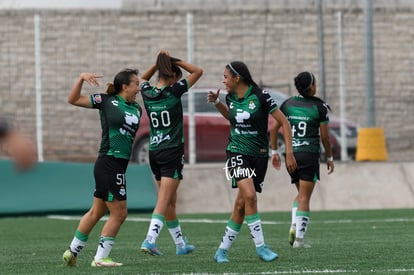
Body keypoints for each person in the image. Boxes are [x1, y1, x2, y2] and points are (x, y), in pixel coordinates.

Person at [207, 61, 297, 263]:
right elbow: (232, 117)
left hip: (259, 155)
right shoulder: (230, 97)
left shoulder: (261, 96)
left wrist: (287, 152)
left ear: (237, 78)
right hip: (236, 152)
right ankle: (261, 247)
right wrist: (217, 103)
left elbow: (284, 122)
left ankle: (221, 250)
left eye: (226, 77)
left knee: (241, 205)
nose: (224, 81)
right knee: (250, 196)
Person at [62, 69, 141, 267]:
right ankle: (100, 258)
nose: (138, 88)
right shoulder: (106, 101)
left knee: (96, 212)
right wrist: (80, 78)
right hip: (109, 161)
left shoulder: (137, 108)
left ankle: (72, 252)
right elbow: (73, 99)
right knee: (120, 213)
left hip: (117, 165)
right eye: (136, 84)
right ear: (125, 86)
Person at [138, 50, 203, 256]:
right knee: (164, 200)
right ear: (174, 77)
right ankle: (150, 240)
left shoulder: (147, 92)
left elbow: (142, 78)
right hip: (171, 152)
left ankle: (180, 244)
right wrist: (173, 60)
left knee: (171, 200)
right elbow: (198, 71)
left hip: (154, 151)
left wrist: (159, 64)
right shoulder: (174, 91)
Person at [270, 71, 334, 248]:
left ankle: (294, 225)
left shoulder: (288, 104)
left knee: (300, 195)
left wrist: (274, 152)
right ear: (311, 86)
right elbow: (325, 137)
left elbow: (274, 129)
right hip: (308, 154)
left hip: (291, 155)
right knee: (305, 198)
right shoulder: (319, 107)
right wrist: (329, 157)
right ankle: (299, 240)